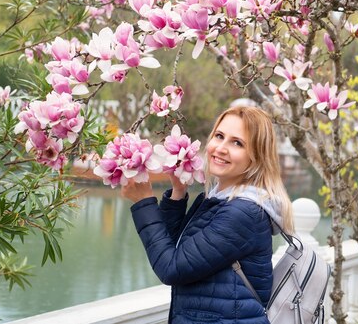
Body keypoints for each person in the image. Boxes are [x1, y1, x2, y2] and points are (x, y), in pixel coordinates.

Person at [121, 106, 294, 323]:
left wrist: (143, 202)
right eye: (219, 136)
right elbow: (174, 248)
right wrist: (178, 192)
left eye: (237, 143)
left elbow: (170, 268)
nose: (221, 148)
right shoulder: (216, 199)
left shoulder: (244, 213)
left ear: (256, 157)